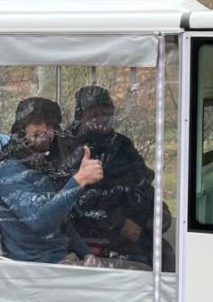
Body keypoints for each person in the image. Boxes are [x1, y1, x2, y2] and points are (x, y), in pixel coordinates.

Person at [0, 96, 105, 264]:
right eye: (37, 123)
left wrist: (86, 254)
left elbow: (61, 222)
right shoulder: (10, 173)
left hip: (63, 262)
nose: (45, 129)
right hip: (41, 272)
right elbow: (41, 221)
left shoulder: (37, 168)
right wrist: (79, 181)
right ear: (22, 129)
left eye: (50, 124)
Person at [62, 85, 160, 264]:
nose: (102, 119)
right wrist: (118, 223)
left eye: (107, 112)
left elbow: (142, 182)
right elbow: (71, 202)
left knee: (165, 254)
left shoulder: (121, 144)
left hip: (134, 225)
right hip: (94, 234)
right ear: (80, 116)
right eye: (95, 114)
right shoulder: (69, 147)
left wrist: (156, 212)